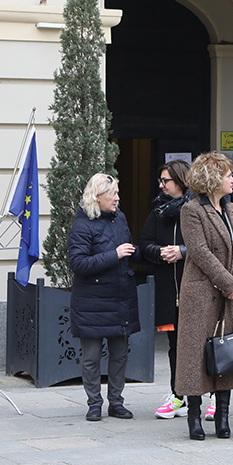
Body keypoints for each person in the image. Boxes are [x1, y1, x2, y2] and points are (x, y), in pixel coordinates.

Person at [174, 152, 233, 440]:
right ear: (213, 179)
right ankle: (195, 417)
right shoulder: (191, 210)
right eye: (228, 174)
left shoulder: (232, 209)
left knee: (228, 352)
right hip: (202, 292)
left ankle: (223, 416)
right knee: (196, 354)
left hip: (231, 292)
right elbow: (199, 251)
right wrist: (228, 282)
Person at [67, 173, 140, 422]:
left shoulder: (120, 219)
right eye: (113, 194)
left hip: (120, 297)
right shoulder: (82, 225)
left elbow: (126, 250)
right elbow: (78, 263)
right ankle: (94, 403)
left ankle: (116, 402)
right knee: (91, 357)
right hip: (91, 302)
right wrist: (115, 255)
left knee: (120, 354)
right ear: (97, 197)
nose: (118, 198)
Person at [138, 159, 192, 420]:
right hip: (168, 290)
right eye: (160, 181)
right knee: (175, 345)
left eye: (165, 181)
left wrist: (182, 252)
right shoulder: (158, 210)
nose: (161, 185)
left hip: (194, 288)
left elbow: (211, 246)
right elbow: (143, 244)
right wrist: (160, 252)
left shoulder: (196, 208)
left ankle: (211, 396)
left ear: (180, 181)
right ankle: (178, 394)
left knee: (201, 344)